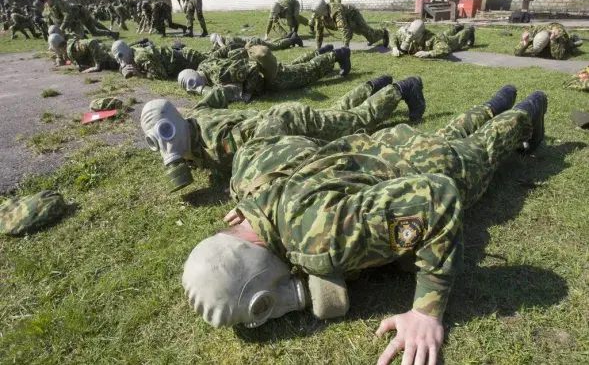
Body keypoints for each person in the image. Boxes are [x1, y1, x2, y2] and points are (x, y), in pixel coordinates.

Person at [180, 85, 548, 365]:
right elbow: (267, 156)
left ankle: (528, 108)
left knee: (483, 148)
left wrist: (425, 311)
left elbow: (439, 198)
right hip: (386, 147)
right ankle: (499, 97)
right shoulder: (254, 194)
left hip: (432, 168)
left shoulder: (320, 239)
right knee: (450, 133)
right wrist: (253, 205)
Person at [141, 75, 426, 192]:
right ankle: (372, 85)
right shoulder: (193, 118)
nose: (165, 145)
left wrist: (250, 177)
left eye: (165, 134)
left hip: (292, 121)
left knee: (355, 122)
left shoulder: (217, 144)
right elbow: (213, 96)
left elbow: (268, 136)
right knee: (337, 113)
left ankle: (402, 88)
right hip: (288, 115)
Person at [174, 44, 352, 103]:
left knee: (307, 72)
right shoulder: (204, 64)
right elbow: (223, 51)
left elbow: (251, 70)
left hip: (266, 76)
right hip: (262, 66)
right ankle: (321, 51)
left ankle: (337, 54)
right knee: (293, 67)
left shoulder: (219, 75)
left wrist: (249, 93)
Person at [34, 0, 118, 40]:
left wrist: (61, 28)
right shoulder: (47, 7)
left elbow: (68, 15)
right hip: (74, 19)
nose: (43, 2)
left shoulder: (58, 2)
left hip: (81, 13)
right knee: (81, 32)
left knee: (94, 30)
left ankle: (111, 33)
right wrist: (50, 31)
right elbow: (49, 19)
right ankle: (87, 38)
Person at [312, 0, 389, 50]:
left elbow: (343, 29)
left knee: (368, 34)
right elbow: (319, 33)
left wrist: (345, 48)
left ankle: (383, 32)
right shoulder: (319, 16)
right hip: (346, 19)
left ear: (322, 10)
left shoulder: (336, 12)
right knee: (359, 32)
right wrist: (318, 48)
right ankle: (369, 37)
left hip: (353, 15)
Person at [111, 39, 207, 80]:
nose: (121, 61)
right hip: (181, 57)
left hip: (189, 59)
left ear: (126, 51)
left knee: (212, 61)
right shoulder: (131, 52)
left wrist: (140, 74)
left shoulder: (140, 57)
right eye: (118, 59)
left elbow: (161, 75)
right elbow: (122, 64)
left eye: (121, 57)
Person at [391, 19, 475, 58]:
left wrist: (428, 53)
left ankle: (469, 30)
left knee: (457, 40)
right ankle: (456, 28)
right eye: (409, 32)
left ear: (421, 34)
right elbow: (394, 36)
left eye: (413, 34)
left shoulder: (431, 39)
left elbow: (445, 49)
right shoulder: (407, 33)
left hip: (444, 40)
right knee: (445, 33)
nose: (409, 36)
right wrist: (394, 47)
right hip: (440, 35)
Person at [48, 33, 118, 72]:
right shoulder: (67, 51)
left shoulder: (73, 48)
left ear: (57, 48)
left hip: (108, 60)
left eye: (54, 50)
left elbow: (92, 42)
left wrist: (97, 66)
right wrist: (64, 63)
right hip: (105, 61)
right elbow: (74, 61)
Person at [514, 23, 582, 60]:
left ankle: (574, 40)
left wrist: (553, 40)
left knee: (571, 46)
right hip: (545, 36)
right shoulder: (533, 32)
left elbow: (558, 56)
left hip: (564, 42)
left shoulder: (559, 34)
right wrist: (525, 42)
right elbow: (516, 52)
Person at [210, 33, 303, 52]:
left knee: (276, 46)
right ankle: (290, 36)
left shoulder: (229, 42)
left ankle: (294, 39)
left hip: (254, 43)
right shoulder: (227, 39)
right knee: (273, 43)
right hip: (253, 41)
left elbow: (225, 50)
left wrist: (219, 43)